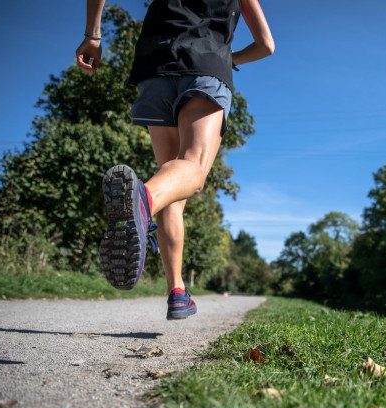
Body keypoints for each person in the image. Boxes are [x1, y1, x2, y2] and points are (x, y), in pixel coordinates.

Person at [75, 0, 274, 319]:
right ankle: (142, 201)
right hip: (206, 65)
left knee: (171, 183)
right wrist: (228, 58)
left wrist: (93, 36)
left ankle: (177, 291)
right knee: (192, 170)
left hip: (156, 66)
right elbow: (266, 45)